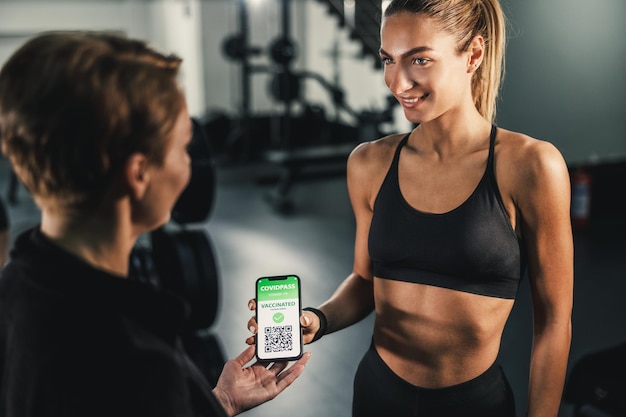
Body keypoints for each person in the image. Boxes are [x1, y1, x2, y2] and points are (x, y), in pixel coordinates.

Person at [248, 0, 574, 416]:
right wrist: (318, 318)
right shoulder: (369, 163)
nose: (398, 81)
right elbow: (365, 279)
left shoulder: (531, 166)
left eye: (419, 59)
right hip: (377, 394)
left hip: (473, 405)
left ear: (473, 54)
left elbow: (553, 323)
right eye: (388, 60)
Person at [0, 31, 310, 417]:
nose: (189, 165)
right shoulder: (137, 360)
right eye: (182, 147)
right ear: (139, 174)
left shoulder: (14, 287)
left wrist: (219, 402)